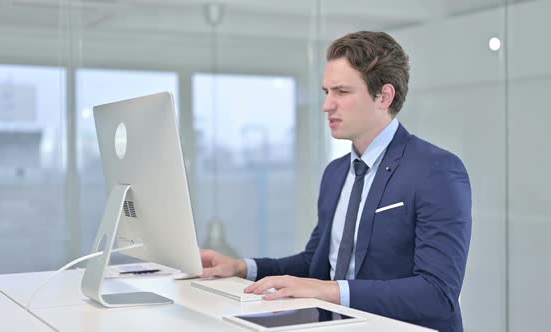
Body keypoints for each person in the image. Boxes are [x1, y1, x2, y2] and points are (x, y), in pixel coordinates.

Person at [200, 31, 471, 332]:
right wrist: (242, 267)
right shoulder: (336, 173)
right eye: (326, 92)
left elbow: (437, 294)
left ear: (384, 96)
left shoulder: (436, 170)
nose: (327, 105)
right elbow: (314, 263)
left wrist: (328, 291)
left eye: (341, 92)